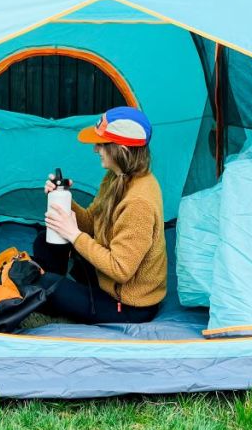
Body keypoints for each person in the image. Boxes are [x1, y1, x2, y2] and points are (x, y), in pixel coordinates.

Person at [34, 106, 167, 325]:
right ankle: (56, 291)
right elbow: (90, 223)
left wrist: (74, 235)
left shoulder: (139, 202)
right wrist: (63, 198)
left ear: (121, 150)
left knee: (46, 285)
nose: (96, 149)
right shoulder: (117, 177)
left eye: (102, 144)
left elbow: (121, 269)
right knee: (45, 241)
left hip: (129, 304)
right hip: (107, 280)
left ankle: (53, 294)